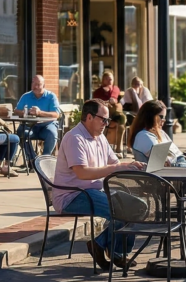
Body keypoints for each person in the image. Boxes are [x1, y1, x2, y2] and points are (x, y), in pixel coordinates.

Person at [51, 99, 145, 269]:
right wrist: (116, 167)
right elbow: (83, 173)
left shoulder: (100, 137)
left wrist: (131, 165)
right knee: (122, 210)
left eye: (107, 120)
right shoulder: (75, 138)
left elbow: (114, 163)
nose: (107, 124)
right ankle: (110, 250)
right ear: (89, 117)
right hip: (72, 195)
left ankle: (103, 245)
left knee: (139, 206)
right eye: (103, 119)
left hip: (94, 190)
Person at [128, 100, 186, 237]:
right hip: (164, 176)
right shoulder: (144, 136)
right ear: (150, 116)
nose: (164, 120)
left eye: (165, 117)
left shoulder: (160, 133)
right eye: (161, 117)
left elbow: (173, 155)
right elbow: (163, 161)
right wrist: (174, 158)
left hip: (177, 167)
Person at [14, 75, 62, 156]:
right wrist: (26, 112)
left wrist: (39, 113)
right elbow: (16, 110)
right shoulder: (26, 96)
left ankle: (44, 159)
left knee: (52, 133)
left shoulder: (51, 97)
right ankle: (33, 160)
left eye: (38, 84)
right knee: (21, 133)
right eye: (33, 83)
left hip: (47, 126)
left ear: (44, 85)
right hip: (29, 127)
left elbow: (56, 115)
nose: (35, 86)